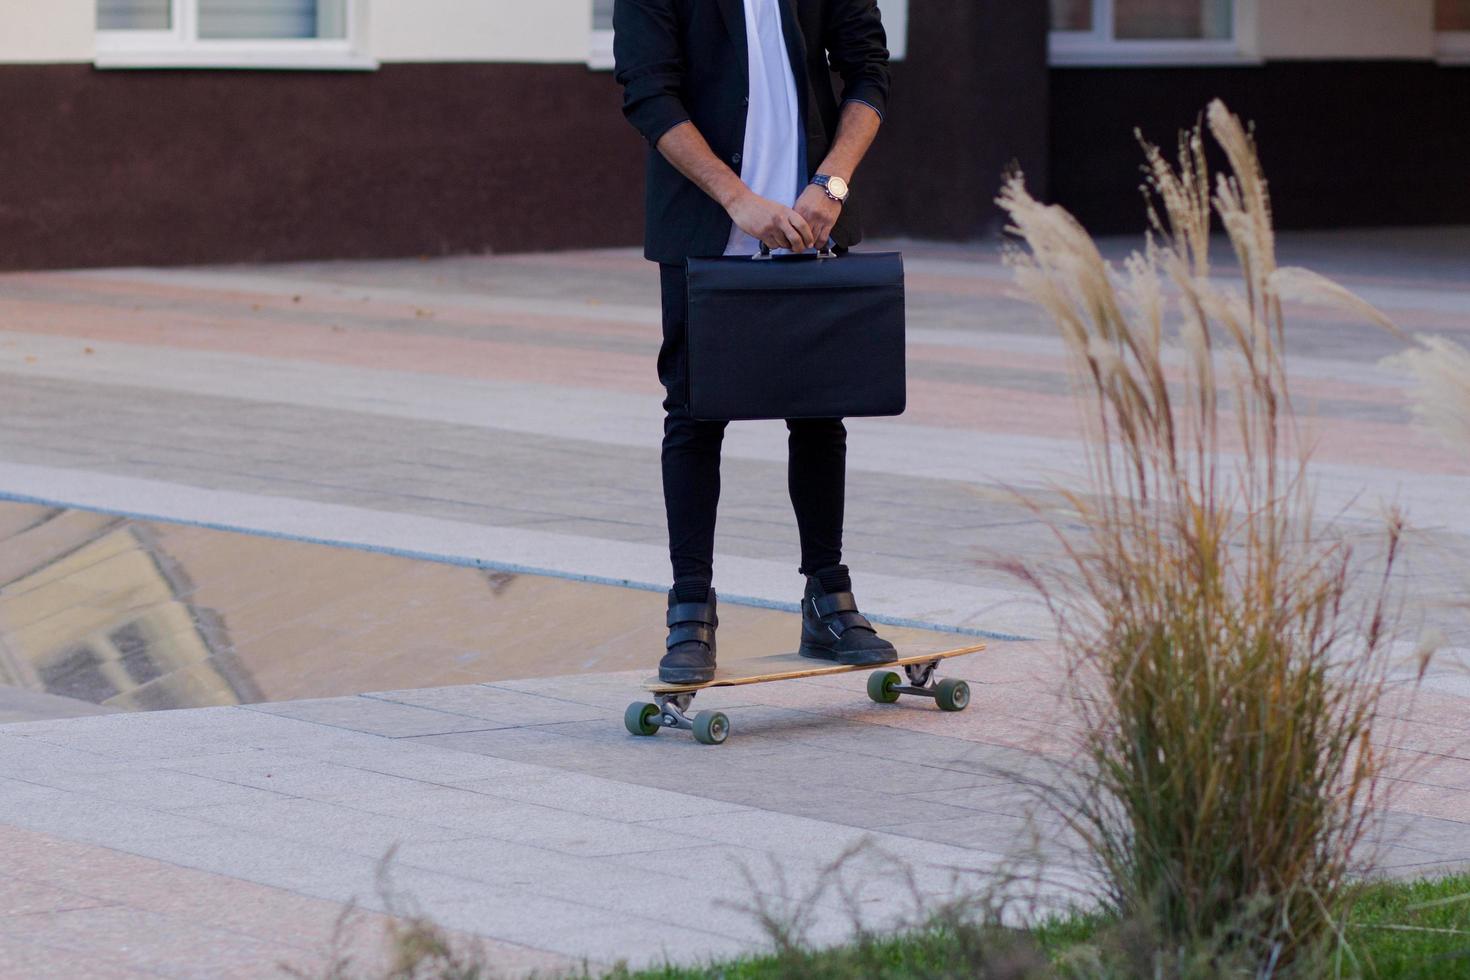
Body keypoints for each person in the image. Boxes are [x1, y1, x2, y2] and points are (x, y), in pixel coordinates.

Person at [614, 0, 898, 684]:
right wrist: (738, 198)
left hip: (813, 223)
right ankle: (690, 610)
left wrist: (831, 183)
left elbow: (868, 73)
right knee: (693, 415)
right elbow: (650, 94)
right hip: (707, 230)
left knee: (820, 412)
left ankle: (828, 599)